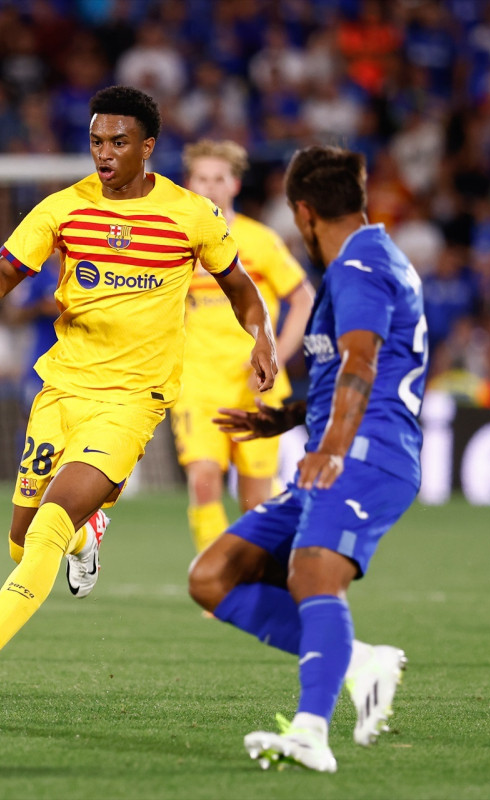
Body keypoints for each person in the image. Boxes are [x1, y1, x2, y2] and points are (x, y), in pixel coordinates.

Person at [0, 85, 278, 702]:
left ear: (148, 147)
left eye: (118, 142)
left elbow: (241, 287)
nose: (104, 153)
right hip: (62, 391)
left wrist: (263, 336)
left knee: (48, 529)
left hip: (132, 400)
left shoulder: (191, 214)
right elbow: (12, 266)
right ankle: (89, 535)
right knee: (21, 545)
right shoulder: (64, 208)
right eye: (96, 141)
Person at [189, 145, 427, 772]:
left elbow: (360, 360)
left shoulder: (363, 265)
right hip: (341, 446)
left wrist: (330, 448)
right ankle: (357, 661)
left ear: (302, 213)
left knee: (312, 575)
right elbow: (343, 370)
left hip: (365, 455)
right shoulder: (360, 261)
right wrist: (289, 418)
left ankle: (311, 731)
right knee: (213, 577)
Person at [173, 140, 314, 553]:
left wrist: (276, 355)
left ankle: (259, 576)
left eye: (219, 178)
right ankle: (218, 583)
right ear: (189, 184)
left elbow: (304, 298)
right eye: (202, 178)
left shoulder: (259, 241)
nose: (211, 186)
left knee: (255, 494)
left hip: (256, 383)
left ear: (234, 184)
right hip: (196, 382)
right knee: (202, 480)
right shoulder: (176, 244)